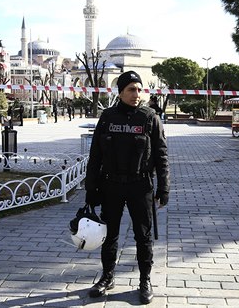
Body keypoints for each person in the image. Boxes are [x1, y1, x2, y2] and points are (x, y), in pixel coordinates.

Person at [85, 71, 170, 304]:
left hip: (140, 185)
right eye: (131, 89)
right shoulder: (108, 118)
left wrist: (164, 188)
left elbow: (161, 156)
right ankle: (107, 277)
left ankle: (145, 281)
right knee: (109, 235)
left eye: (139, 89)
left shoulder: (150, 117)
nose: (136, 94)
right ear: (120, 92)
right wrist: (91, 189)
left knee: (143, 237)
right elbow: (95, 156)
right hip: (110, 184)